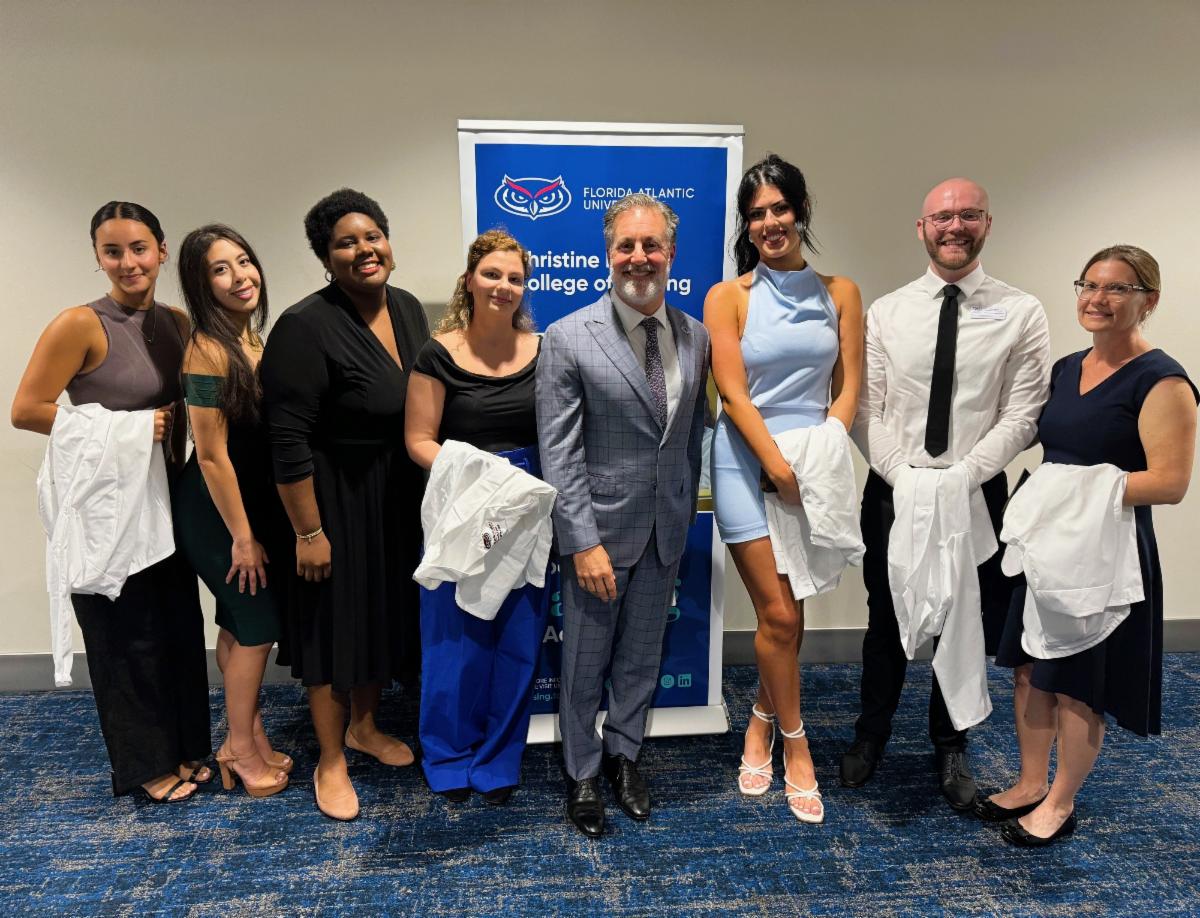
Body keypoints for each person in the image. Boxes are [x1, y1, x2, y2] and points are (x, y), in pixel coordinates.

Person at [843, 178, 1051, 810]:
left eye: (968, 215)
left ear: (987, 223)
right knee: (886, 618)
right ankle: (871, 733)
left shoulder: (1021, 312)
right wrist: (905, 476)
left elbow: (1023, 414)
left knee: (964, 619)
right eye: (942, 217)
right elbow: (865, 410)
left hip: (977, 492)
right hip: (894, 489)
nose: (954, 226)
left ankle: (951, 740)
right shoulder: (888, 312)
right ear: (922, 228)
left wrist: (963, 476)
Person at [980, 245, 1197, 846]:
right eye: (1090, 285)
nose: (1098, 299)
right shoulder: (1066, 368)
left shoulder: (1162, 381)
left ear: (1148, 301)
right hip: (1047, 544)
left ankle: (1060, 801)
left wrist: (1073, 489)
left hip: (1105, 552)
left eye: (1117, 289)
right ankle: (1030, 782)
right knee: (1030, 667)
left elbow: (1170, 483)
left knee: (1079, 681)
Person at [11, 201, 212, 803]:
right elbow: (26, 410)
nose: (128, 262)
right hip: (104, 507)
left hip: (164, 498)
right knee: (124, 636)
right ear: (98, 257)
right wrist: (128, 429)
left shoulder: (177, 322)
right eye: (113, 251)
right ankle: (145, 765)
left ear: (161, 250)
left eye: (139, 248)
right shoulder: (79, 324)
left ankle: (185, 745)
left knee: (176, 625)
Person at [537, 193, 710, 838]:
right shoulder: (568, 336)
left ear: (671, 252)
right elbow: (559, 451)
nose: (639, 257)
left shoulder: (697, 336)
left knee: (641, 657)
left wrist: (685, 512)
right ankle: (582, 771)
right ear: (608, 254)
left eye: (651, 245)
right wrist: (580, 542)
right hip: (599, 536)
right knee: (584, 662)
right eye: (625, 246)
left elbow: (688, 436)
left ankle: (625, 754)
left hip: (666, 528)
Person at [260, 188, 430, 820]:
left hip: (395, 496)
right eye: (346, 243)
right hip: (331, 500)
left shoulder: (406, 307)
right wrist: (308, 532)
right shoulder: (304, 327)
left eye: (372, 236)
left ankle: (364, 726)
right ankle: (330, 761)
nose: (364, 250)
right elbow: (286, 441)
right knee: (333, 630)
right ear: (326, 258)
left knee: (379, 617)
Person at [705, 155, 862, 824]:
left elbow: (849, 385)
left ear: (800, 212)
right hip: (746, 461)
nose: (769, 222)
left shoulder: (841, 291)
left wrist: (823, 450)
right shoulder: (729, 296)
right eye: (756, 214)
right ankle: (796, 744)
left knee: (791, 613)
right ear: (747, 224)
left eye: (779, 208)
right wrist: (775, 463)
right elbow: (733, 393)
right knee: (778, 615)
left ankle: (762, 717)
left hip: (813, 462)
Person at [405, 229, 546, 806]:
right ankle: (447, 756)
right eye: (492, 274)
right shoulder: (437, 353)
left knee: (518, 637)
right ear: (469, 280)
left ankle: (498, 759)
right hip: (461, 502)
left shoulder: (543, 350)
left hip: (526, 505)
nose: (503, 286)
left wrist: (513, 486)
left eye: (515, 278)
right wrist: (482, 477)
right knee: (453, 639)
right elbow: (418, 439)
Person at [174, 224, 292, 798]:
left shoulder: (250, 338)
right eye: (220, 269)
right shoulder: (208, 349)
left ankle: (251, 734)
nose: (240, 276)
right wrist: (243, 537)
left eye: (244, 261)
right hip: (216, 510)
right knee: (257, 629)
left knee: (235, 622)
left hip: (243, 505)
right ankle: (239, 749)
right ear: (201, 284)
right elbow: (212, 456)